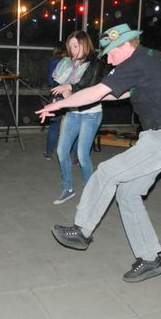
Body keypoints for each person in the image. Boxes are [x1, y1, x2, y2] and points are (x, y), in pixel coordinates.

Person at [36, 23, 161, 283]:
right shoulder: (148, 59)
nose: (108, 60)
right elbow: (116, 94)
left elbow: (100, 90)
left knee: (106, 172)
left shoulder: (136, 61)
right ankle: (150, 259)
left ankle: (82, 231)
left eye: (110, 53)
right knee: (128, 193)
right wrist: (79, 94)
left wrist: (60, 105)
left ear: (125, 45)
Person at [50, 30, 106, 205]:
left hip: (91, 114)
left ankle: (90, 195)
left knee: (82, 155)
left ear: (85, 44)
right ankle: (68, 188)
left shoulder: (95, 63)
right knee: (61, 151)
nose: (73, 50)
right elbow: (56, 83)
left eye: (76, 46)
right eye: (70, 47)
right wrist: (64, 92)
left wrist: (68, 87)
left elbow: (87, 86)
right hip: (72, 112)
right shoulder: (68, 63)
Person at [43, 42, 67, 159]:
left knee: (54, 126)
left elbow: (50, 80)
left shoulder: (53, 62)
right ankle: (76, 158)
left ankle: (48, 153)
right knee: (73, 127)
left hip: (57, 96)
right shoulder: (73, 62)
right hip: (72, 96)